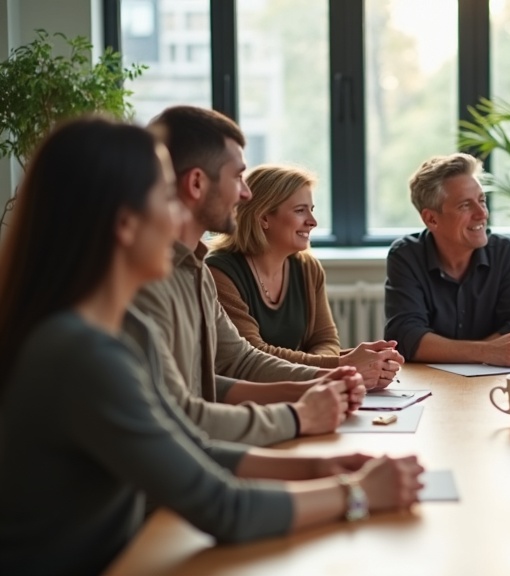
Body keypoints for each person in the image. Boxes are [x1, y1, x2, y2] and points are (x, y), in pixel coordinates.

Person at [0, 117, 423, 575]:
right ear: (125, 224)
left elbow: (188, 445)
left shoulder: (118, 330)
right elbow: (222, 509)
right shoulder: (81, 354)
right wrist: (358, 493)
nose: (181, 215)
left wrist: (321, 468)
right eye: (166, 197)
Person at [134, 105, 366, 447]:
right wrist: (299, 415)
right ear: (196, 182)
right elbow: (181, 418)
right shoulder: (153, 282)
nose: (245, 194)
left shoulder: (195, 269)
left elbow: (230, 366)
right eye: (238, 176)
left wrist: (325, 380)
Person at [206, 164, 403, 381]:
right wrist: (341, 366)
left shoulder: (308, 268)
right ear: (263, 218)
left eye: (312, 209)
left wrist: (345, 369)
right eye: (300, 210)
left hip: (296, 389)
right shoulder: (219, 273)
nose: (313, 221)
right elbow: (252, 354)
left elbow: (325, 341)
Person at [384, 153, 510, 366]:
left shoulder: (505, 252)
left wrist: (451, 350)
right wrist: (486, 352)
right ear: (431, 219)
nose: (482, 214)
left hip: (495, 386)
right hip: (432, 387)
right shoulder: (406, 255)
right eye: (465, 206)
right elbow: (405, 338)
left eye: (481, 201)